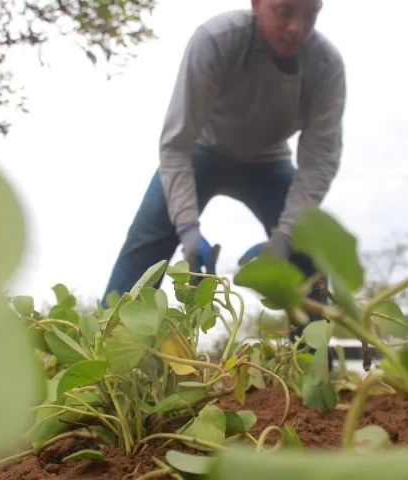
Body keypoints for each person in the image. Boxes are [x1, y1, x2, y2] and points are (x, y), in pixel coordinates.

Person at [102, 0, 346, 365]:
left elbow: (319, 162)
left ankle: (312, 370)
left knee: (307, 254)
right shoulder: (217, 39)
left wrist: (283, 241)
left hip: (270, 161)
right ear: (257, 5)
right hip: (202, 150)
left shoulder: (325, 66)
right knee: (146, 242)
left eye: (310, 15)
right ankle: (104, 354)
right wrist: (185, 226)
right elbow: (176, 144)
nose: (297, 27)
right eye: (285, 11)